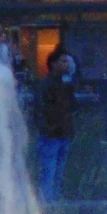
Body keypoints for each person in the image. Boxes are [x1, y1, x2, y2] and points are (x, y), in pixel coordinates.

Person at [36, 49, 77, 202]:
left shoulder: (66, 83)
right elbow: (39, 108)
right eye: (63, 61)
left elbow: (71, 105)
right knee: (49, 172)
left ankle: (55, 202)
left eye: (67, 61)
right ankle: (47, 203)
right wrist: (46, 128)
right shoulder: (46, 84)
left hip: (63, 133)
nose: (67, 64)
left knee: (58, 172)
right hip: (51, 135)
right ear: (53, 64)